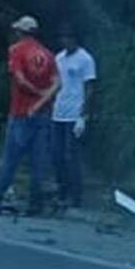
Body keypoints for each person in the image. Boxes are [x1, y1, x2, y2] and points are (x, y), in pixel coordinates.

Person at [0, 16, 60, 216]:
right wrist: (43, 99)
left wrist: (35, 95)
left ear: (20, 32)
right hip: (43, 115)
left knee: (9, 160)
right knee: (38, 162)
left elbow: (20, 79)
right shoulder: (48, 54)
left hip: (21, 113)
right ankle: (35, 205)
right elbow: (57, 83)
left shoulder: (16, 51)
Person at [51, 27, 97, 208]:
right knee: (57, 155)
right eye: (63, 38)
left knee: (72, 156)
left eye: (68, 38)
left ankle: (75, 196)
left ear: (75, 39)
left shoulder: (85, 59)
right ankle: (62, 191)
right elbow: (55, 83)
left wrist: (83, 116)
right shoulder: (59, 58)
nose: (65, 41)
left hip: (74, 114)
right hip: (58, 113)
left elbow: (90, 88)